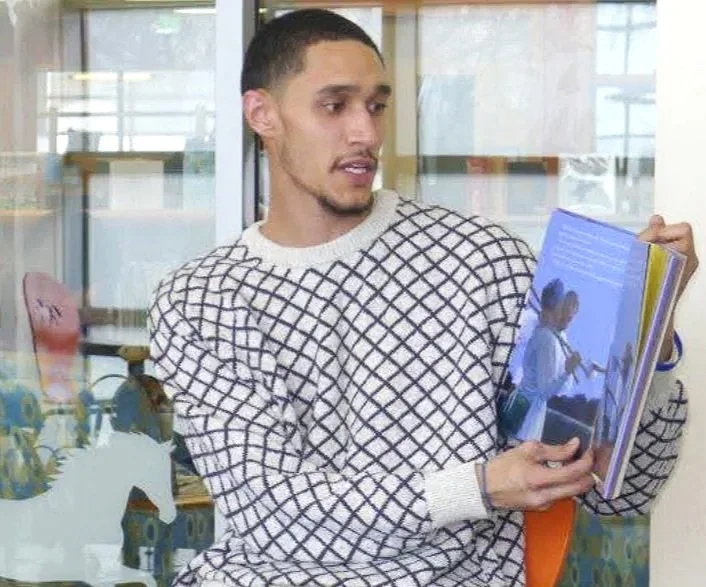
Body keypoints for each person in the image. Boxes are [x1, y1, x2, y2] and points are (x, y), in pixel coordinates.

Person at [148, 9, 698, 586]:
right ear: (262, 114)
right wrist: (478, 487)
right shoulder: (202, 301)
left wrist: (647, 328)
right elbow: (274, 517)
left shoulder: (481, 261)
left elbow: (624, 493)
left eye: (376, 106)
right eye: (334, 106)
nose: (366, 134)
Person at [515, 280, 581, 440]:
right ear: (559, 307)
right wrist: (567, 371)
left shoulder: (548, 333)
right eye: (563, 310)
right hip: (527, 417)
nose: (566, 319)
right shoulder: (547, 338)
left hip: (524, 409)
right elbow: (545, 391)